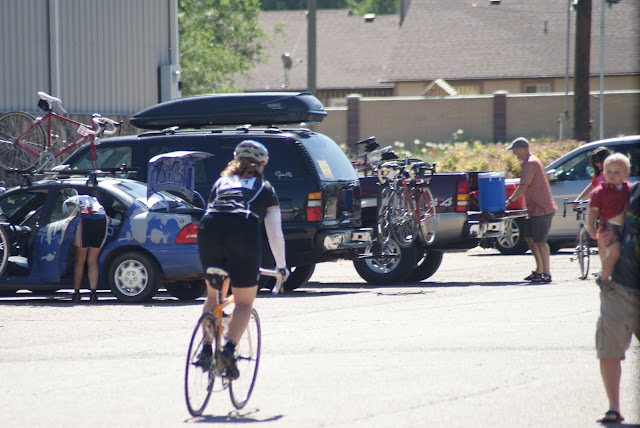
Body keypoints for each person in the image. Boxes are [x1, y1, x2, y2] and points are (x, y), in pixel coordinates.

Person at [196, 140, 288, 379]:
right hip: (242, 229)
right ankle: (228, 350)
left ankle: (206, 349)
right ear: (261, 165)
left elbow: (212, 210)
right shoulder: (264, 187)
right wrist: (281, 267)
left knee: (213, 295)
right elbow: (274, 234)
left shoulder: (220, 183)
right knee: (244, 302)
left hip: (209, 228)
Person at [594, 181, 639, 424]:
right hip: (621, 284)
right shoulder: (633, 192)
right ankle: (613, 407)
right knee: (608, 348)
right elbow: (617, 229)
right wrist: (606, 241)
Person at [505, 137, 557, 283]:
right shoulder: (529, 163)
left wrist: (510, 201)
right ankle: (539, 271)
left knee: (540, 241)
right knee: (529, 238)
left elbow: (523, 186)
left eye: (515, 150)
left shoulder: (531, 163)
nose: (514, 154)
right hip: (533, 209)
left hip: (542, 208)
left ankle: (547, 273)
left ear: (521, 149)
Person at [587, 153, 631, 289]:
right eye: (609, 172)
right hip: (608, 227)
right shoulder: (600, 192)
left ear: (626, 174)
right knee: (614, 252)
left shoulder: (630, 189)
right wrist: (591, 228)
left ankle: (623, 279)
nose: (612, 175)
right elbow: (593, 211)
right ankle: (604, 279)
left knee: (628, 254)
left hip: (627, 226)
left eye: (617, 172)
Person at [63, 194, 108, 303]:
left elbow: (66, 219)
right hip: (101, 218)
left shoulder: (69, 201)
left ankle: (76, 293)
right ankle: (93, 294)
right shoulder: (93, 199)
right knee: (92, 260)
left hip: (85, 219)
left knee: (80, 260)